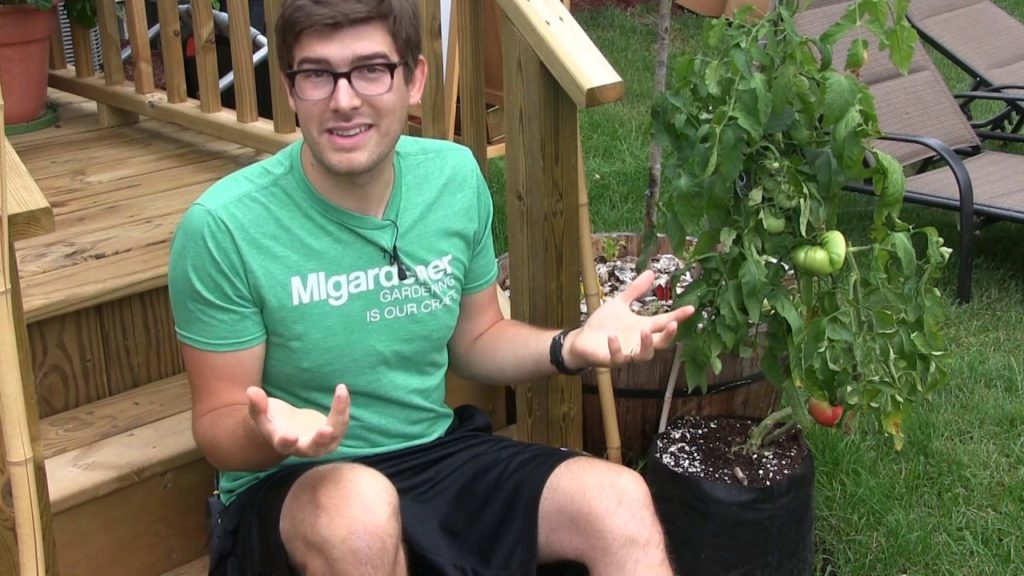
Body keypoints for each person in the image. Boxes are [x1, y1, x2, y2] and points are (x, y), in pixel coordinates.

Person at [167, 0, 694, 574]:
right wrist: (272, 432)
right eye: (317, 74)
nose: (344, 100)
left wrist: (570, 346)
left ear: (414, 79)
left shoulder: (453, 177)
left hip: (433, 453)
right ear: (292, 90)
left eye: (372, 69)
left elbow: (476, 338)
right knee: (358, 514)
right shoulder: (226, 226)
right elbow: (217, 425)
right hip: (294, 488)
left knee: (618, 500)